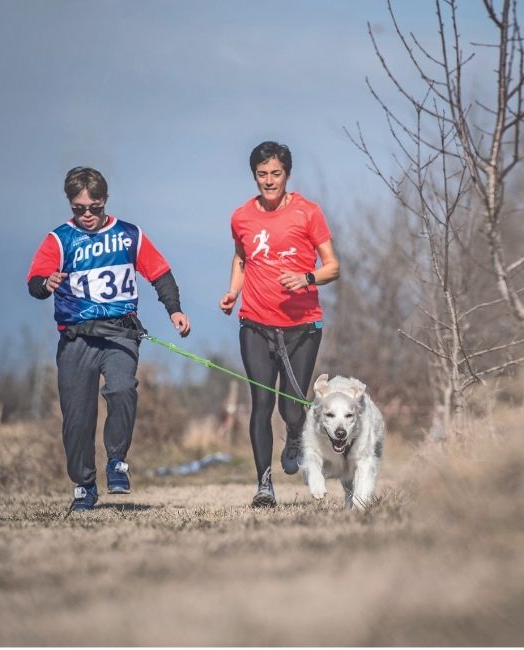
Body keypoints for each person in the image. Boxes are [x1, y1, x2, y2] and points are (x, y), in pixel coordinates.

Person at [27, 166, 191, 512]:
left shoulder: (129, 235)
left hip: (121, 333)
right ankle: (84, 486)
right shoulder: (59, 239)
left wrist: (174, 310)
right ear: (70, 205)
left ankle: (117, 461)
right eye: (79, 208)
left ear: (105, 201)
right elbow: (35, 282)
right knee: (77, 416)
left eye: (94, 207)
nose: (87, 215)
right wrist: (46, 284)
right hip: (76, 339)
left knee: (121, 389)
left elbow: (160, 273)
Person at [219, 141, 340, 508]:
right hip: (254, 322)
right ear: (253, 175)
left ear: (287, 174)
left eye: (275, 174)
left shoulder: (308, 213)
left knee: (291, 407)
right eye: (262, 174)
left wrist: (306, 279)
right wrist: (232, 292)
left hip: (302, 325)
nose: (269, 181)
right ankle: (263, 485)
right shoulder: (241, 217)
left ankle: (293, 433)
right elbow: (241, 258)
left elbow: (332, 266)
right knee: (261, 400)